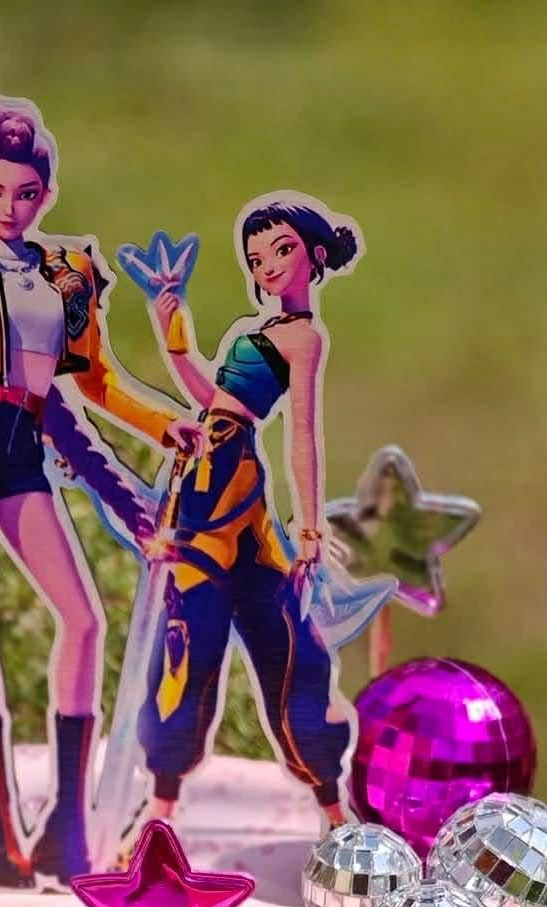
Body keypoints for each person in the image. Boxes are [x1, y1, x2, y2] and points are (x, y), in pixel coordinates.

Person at [0, 97, 204, 886]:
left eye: (26, 194)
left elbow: (98, 380)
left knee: (84, 619)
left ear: (45, 195)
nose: (10, 208)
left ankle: (65, 825)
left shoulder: (69, 273)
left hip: (22, 450)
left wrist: (161, 421)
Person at [134, 192, 361, 828]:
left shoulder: (304, 339)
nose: (268, 267)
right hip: (203, 480)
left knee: (288, 639)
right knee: (188, 639)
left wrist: (309, 528)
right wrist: (173, 330)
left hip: (238, 482)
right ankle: (159, 809)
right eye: (257, 259)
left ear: (314, 255)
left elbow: (302, 432)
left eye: (281, 251)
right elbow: (210, 398)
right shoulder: (248, 333)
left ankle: (333, 809)